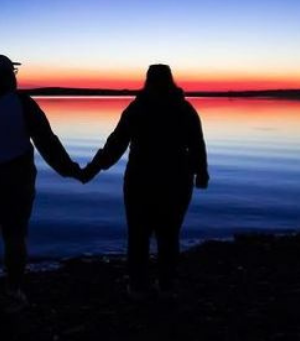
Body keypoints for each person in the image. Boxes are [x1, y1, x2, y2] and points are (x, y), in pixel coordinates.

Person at [0, 54, 81, 315]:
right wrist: (71, 170)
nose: (14, 77)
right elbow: (47, 142)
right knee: (15, 236)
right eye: (13, 73)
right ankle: (12, 292)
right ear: (8, 76)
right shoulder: (22, 104)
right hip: (16, 183)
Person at [81, 64, 209, 299]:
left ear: (147, 81)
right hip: (175, 182)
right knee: (168, 235)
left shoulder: (138, 108)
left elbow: (115, 144)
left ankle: (140, 286)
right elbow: (197, 145)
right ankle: (166, 286)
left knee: (139, 235)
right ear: (171, 80)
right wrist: (201, 173)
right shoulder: (183, 109)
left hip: (142, 182)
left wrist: (92, 169)